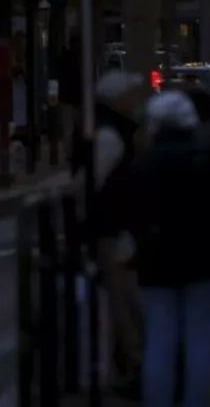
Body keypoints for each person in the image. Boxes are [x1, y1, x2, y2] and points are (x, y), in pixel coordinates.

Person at [116, 91, 210, 407]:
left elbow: (133, 216)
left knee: (160, 340)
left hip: (157, 262)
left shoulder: (142, 166)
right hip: (207, 261)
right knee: (200, 340)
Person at [70, 70, 146, 400]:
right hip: (113, 228)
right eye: (131, 93)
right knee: (123, 301)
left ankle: (130, 363)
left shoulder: (113, 131)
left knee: (125, 300)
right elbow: (88, 185)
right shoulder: (112, 136)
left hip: (113, 225)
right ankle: (132, 364)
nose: (136, 99)